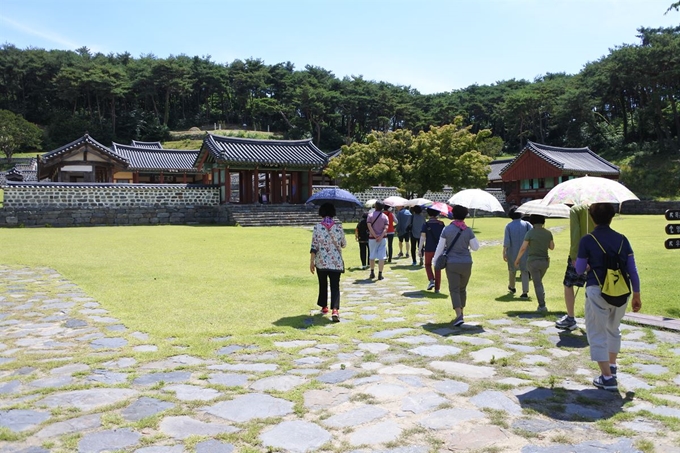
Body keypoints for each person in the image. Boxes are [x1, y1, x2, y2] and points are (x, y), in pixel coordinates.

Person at [574, 203, 641, 391]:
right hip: (621, 291)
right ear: (612, 216)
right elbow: (632, 270)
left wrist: (587, 266)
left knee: (596, 331)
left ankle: (607, 377)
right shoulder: (622, 239)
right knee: (614, 329)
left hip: (597, 290)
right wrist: (636, 294)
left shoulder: (587, 240)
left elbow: (579, 269)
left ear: (592, 217)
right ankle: (612, 365)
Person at [433, 205, 479, 326]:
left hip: (452, 263)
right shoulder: (468, 230)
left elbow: (440, 247)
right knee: (462, 289)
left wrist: (435, 260)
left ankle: (458, 315)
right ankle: (461, 313)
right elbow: (475, 247)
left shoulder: (447, 230)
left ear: (453, 215)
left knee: (454, 289)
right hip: (466, 263)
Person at [556, 204, 595, 330]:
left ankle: (571, 318)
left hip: (582, 253)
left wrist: (574, 256)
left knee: (568, 284)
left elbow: (575, 233)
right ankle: (594, 319)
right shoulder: (602, 206)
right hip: (599, 252)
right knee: (594, 286)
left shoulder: (577, 209)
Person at [310, 203, 346, 322]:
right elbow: (343, 244)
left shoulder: (317, 227)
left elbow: (314, 245)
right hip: (335, 261)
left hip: (321, 261)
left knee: (323, 284)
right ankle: (335, 310)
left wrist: (311, 261)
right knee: (335, 286)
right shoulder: (338, 227)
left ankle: (324, 306)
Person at [514, 214, 555, 312]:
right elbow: (552, 247)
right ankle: (542, 301)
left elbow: (523, 248)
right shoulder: (548, 233)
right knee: (539, 282)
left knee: (537, 284)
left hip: (533, 261)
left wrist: (517, 259)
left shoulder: (530, 233)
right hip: (545, 261)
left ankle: (542, 306)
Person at [503, 206, 532, 298]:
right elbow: (532, 236)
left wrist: (504, 252)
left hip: (512, 251)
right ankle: (525, 291)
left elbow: (506, 241)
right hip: (525, 251)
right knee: (525, 271)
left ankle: (512, 286)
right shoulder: (527, 224)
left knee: (512, 270)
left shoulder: (508, 226)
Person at [420, 208, 445, 292]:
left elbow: (422, 237)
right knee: (437, 267)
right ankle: (437, 288)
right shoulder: (441, 224)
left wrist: (420, 249)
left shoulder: (426, 224)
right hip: (439, 248)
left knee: (427, 264)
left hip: (429, 248)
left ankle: (431, 280)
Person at [367, 201, 389, 280]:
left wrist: (375, 235)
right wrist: (380, 236)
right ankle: (380, 273)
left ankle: (372, 272)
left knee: (372, 255)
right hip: (382, 238)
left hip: (372, 238)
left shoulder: (370, 216)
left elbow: (369, 226)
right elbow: (386, 228)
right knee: (382, 256)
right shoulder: (385, 217)